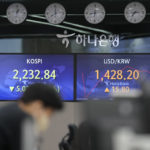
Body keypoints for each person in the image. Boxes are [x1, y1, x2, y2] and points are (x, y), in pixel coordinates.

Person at [0, 83, 63, 150]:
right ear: (38, 105)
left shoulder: (10, 110)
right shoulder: (22, 120)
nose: (48, 118)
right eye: (49, 113)